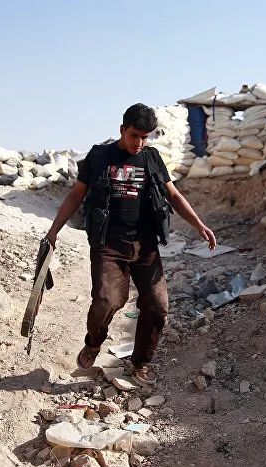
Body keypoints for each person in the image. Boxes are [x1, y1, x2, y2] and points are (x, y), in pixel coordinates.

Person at [45, 103, 216, 385]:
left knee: (158, 305)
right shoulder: (99, 157)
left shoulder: (151, 158)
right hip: (108, 245)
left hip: (146, 245)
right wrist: (54, 231)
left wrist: (198, 224)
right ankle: (94, 342)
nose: (139, 143)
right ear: (122, 130)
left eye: (145, 137)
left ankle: (141, 363)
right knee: (107, 300)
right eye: (135, 135)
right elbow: (76, 196)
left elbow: (172, 195)